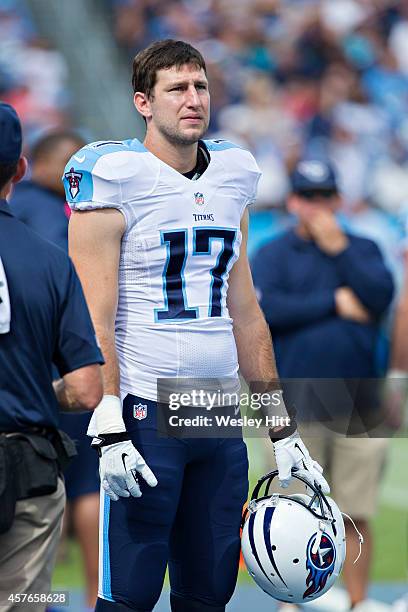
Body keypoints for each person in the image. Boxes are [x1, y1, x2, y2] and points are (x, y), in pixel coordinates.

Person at [64, 40, 329, 612]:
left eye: (201, 86)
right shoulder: (114, 174)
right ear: (143, 102)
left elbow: (247, 310)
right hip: (144, 408)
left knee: (208, 593)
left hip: (216, 409)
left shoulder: (235, 171)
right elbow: (93, 313)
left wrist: (280, 429)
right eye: (177, 89)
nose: (193, 99)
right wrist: (108, 417)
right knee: (128, 594)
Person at [251, 159, 395, 612]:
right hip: (296, 405)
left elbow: (381, 294)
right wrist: (334, 300)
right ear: (293, 201)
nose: (315, 207)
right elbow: (267, 311)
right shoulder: (273, 253)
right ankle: (290, 603)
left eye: (323, 197)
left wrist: (341, 250)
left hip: (360, 405)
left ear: (337, 200)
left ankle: (357, 600)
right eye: (307, 197)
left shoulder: (363, 248)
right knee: (291, 511)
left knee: (356, 511)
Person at [0, 102, 104, 612]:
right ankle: (91, 598)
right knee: (24, 602)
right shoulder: (50, 255)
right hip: (25, 457)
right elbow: (86, 388)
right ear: (19, 168)